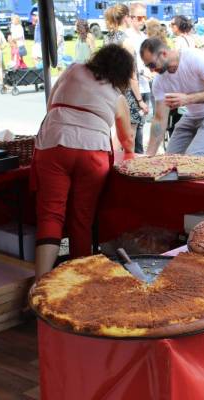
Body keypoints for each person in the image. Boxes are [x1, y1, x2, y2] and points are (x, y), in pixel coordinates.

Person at [33, 44, 135, 279]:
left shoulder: (73, 70)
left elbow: (52, 105)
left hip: (54, 144)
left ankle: (39, 284)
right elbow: (127, 140)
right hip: (93, 153)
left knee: (51, 215)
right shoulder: (117, 97)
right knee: (82, 220)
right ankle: (78, 283)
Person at [140, 37, 204, 156]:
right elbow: (159, 119)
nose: (151, 70)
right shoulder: (159, 81)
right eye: (148, 66)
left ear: (164, 53)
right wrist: (149, 157)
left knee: (193, 159)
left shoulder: (195, 58)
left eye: (152, 64)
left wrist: (187, 99)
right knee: (169, 161)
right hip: (191, 116)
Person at [104, 4, 149, 146]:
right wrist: (140, 101)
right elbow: (132, 75)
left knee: (117, 133)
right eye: (129, 16)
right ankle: (124, 166)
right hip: (127, 93)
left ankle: (112, 162)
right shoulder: (126, 41)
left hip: (112, 89)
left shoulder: (108, 38)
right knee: (129, 134)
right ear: (125, 18)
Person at [125, 2, 150, 153]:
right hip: (133, 87)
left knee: (141, 124)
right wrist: (141, 72)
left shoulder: (143, 36)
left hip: (145, 85)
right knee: (132, 127)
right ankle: (132, 158)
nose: (142, 21)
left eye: (144, 17)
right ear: (131, 18)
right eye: (139, 18)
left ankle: (137, 157)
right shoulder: (127, 37)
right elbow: (129, 68)